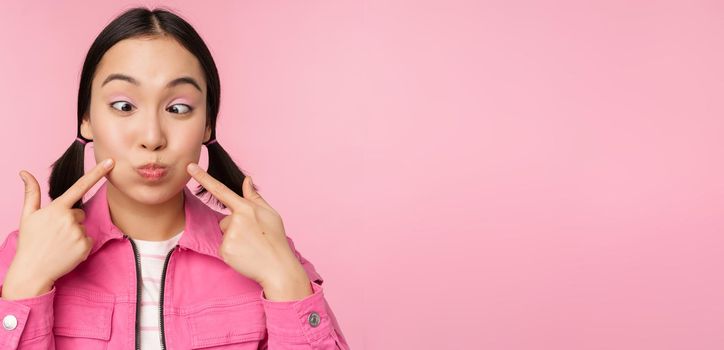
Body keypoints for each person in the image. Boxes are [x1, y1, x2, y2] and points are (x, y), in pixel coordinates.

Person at [0, 6, 349, 349]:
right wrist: (26, 285)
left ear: (207, 123)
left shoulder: (267, 250)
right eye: (124, 106)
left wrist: (284, 281)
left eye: (178, 108)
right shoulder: (25, 254)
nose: (152, 136)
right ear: (86, 120)